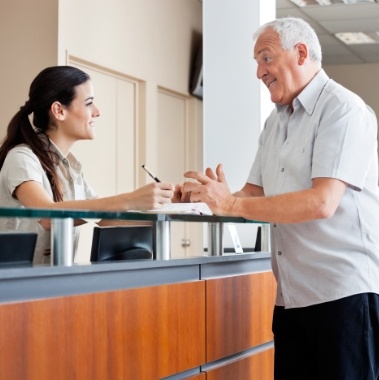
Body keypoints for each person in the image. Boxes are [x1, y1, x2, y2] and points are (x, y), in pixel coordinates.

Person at [182, 17, 379, 380]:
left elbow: (322, 202)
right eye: (257, 62)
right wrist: (206, 198)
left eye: (266, 58)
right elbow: (251, 196)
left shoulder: (343, 110)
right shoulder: (275, 122)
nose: (259, 72)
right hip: (290, 298)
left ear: (301, 53)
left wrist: (231, 204)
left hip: (343, 296)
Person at [0, 66, 176, 264]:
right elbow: (48, 216)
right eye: (89, 103)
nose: (97, 112)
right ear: (59, 111)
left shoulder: (71, 167)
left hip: (52, 281)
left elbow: (103, 217)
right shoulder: (22, 158)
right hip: (15, 286)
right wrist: (131, 199)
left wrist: (170, 205)